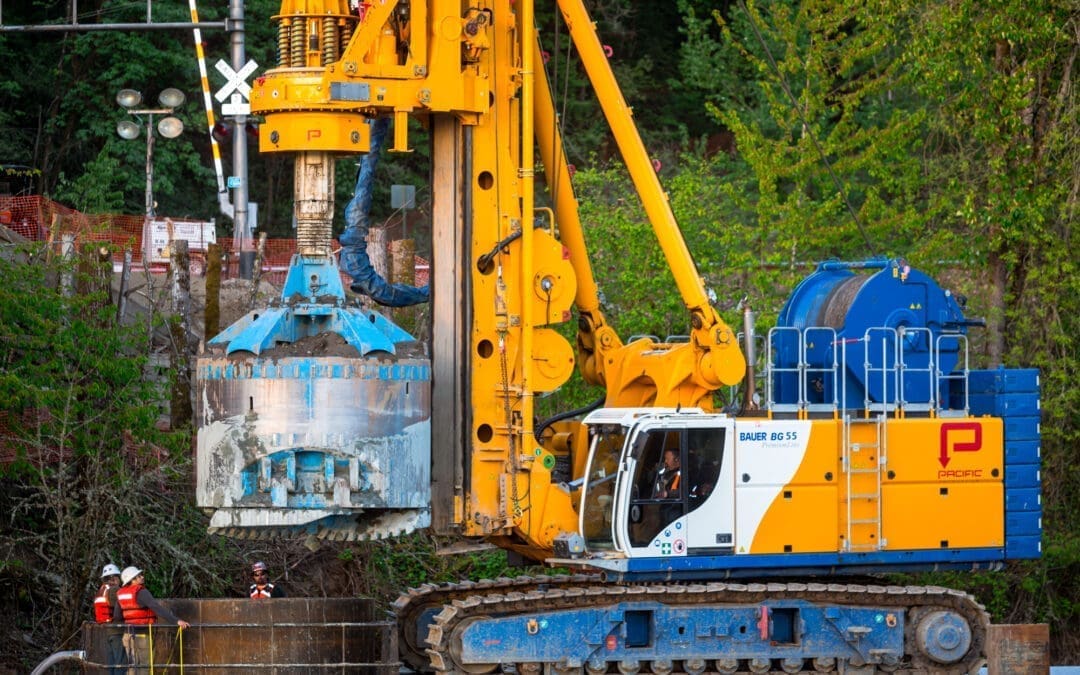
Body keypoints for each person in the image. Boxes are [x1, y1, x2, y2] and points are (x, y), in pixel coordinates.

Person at [113, 566, 190, 671]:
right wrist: (177, 621)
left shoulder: (120, 594)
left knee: (131, 667)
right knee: (145, 667)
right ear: (132, 580)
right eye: (139, 576)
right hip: (142, 635)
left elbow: (117, 617)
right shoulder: (141, 592)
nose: (142, 577)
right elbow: (156, 608)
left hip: (128, 635)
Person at [94, 564, 126, 674]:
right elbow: (119, 608)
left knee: (111, 662)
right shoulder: (113, 590)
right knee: (120, 662)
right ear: (114, 578)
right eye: (118, 577)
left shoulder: (101, 589)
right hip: (115, 629)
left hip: (104, 629)